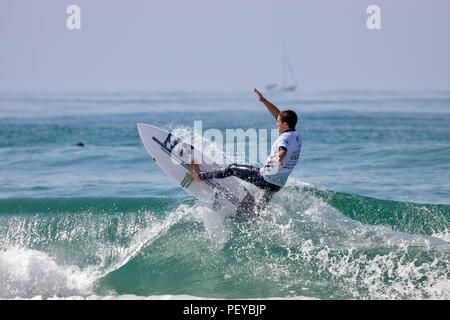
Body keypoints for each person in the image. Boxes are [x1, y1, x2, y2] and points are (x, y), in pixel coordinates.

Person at [189, 88, 302, 212]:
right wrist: (264, 101)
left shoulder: (284, 138)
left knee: (232, 169)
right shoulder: (295, 135)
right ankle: (254, 220)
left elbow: (282, 151)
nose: (276, 123)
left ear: (285, 124)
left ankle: (200, 176)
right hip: (278, 184)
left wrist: (279, 158)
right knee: (259, 209)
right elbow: (278, 114)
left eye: (279, 122)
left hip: (266, 178)